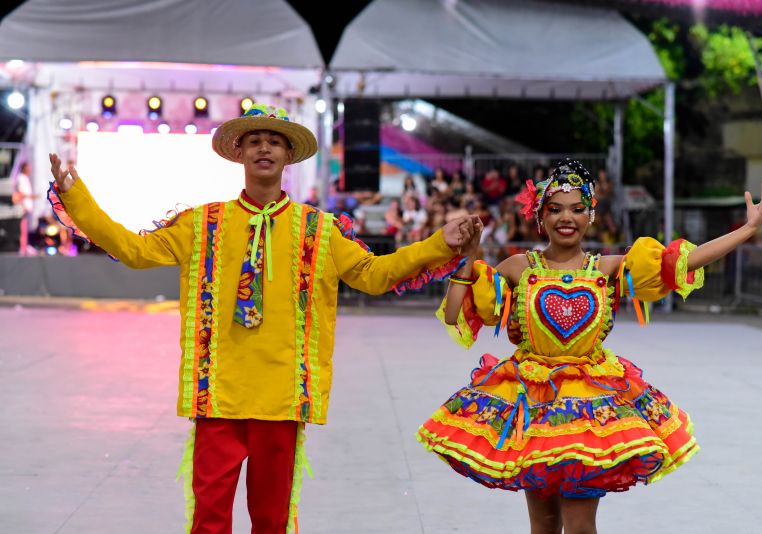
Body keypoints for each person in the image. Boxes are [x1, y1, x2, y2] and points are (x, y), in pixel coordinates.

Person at [48, 103, 479, 534]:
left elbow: (374, 274)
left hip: (281, 398)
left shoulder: (319, 230)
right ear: (240, 153)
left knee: (271, 520)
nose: (264, 148)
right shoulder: (203, 224)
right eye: (254, 140)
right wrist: (77, 199)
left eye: (274, 140)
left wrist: (439, 243)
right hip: (219, 394)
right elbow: (135, 250)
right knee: (209, 520)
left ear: (288, 155)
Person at [416, 159, 762, 534]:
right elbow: (453, 314)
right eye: (555, 209)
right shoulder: (517, 267)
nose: (566, 218)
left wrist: (748, 229)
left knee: (580, 525)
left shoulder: (607, 269)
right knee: (542, 527)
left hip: (590, 408)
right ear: (540, 216)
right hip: (532, 403)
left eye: (577, 209)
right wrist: (469, 257)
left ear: (591, 214)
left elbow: (682, 262)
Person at [12, 161, 36, 255]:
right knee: (23, 229)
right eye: (28, 168)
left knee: (25, 228)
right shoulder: (21, 178)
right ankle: (23, 247)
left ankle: (25, 246)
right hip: (23, 207)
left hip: (26, 207)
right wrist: (31, 197)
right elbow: (20, 193)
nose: (30, 170)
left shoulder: (25, 178)